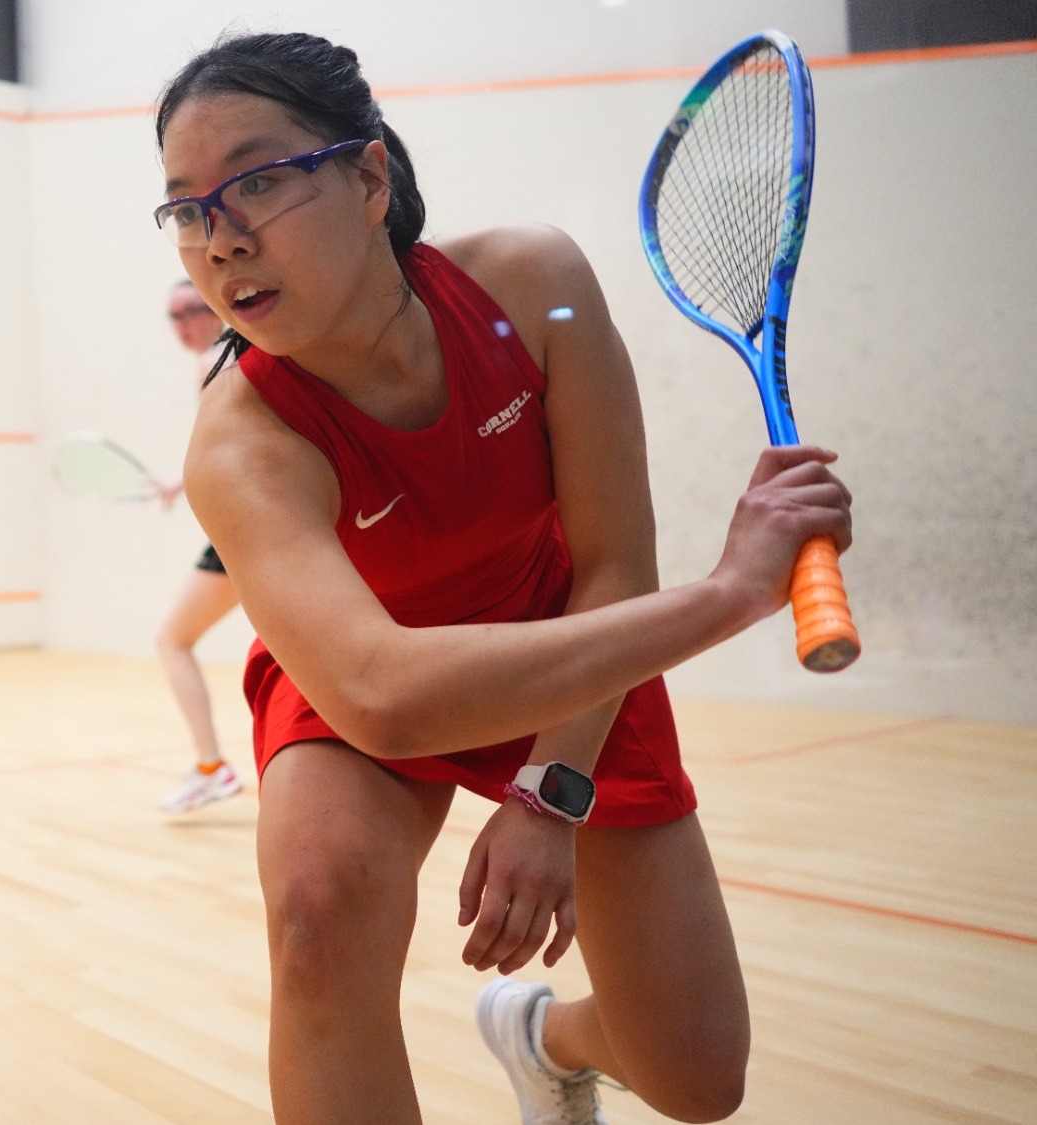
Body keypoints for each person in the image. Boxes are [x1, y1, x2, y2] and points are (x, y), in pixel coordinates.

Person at [153, 32, 852, 1125]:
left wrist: (549, 789)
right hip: (361, 668)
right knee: (314, 914)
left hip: (566, 644)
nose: (220, 239)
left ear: (368, 173)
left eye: (257, 181)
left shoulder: (533, 286)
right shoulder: (239, 446)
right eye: (188, 208)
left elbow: (613, 559)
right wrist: (726, 597)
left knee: (695, 1081)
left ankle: (544, 1035)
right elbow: (379, 692)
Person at [156, 280, 246, 813]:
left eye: (194, 309)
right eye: (175, 315)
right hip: (256, 529)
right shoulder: (237, 353)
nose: (186, 322)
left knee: (172, 640)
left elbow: (225, 457)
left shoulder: (216, 359)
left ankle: (212, 767)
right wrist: (181, 477)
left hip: (241, 533)